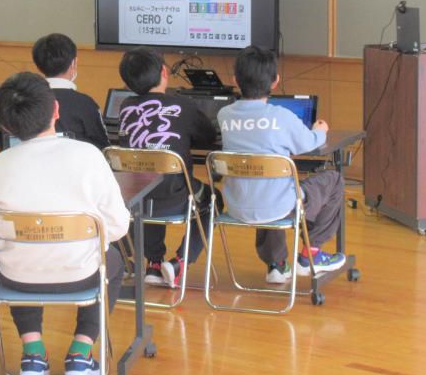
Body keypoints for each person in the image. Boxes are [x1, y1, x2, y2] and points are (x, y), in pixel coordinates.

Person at [0, 73, 129, 375]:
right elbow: (117, 226)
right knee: (112, 263)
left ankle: (33, 354)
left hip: (17, 278)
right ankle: (81, 352)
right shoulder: (89, 156)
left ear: (5, 126)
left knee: (17, 257)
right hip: (81, 273)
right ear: (56, 111)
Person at [217, 46, 346, 284]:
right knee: (333, 180)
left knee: (266, 187)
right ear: (275, 81)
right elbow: (308, 144)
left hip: (237, 205)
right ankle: (311, 254)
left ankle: (276, 264)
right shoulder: (281, 116)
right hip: (278, 205)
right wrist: (320, 131)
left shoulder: (224, 115)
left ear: (235, 80)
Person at [117, 47, 217, 287]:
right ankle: (179, 263)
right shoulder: (182, 105)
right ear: (164, 72)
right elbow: (208, 137)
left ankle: (153, 264)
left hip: (134, 200)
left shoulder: (124, 108)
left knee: (148, 184)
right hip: (175, 198)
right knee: (212, 200)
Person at [31, 33, 109, 149]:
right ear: (74, 63)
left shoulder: (29, 100)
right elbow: (104, 147)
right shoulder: (85, 103)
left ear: (38, 66)